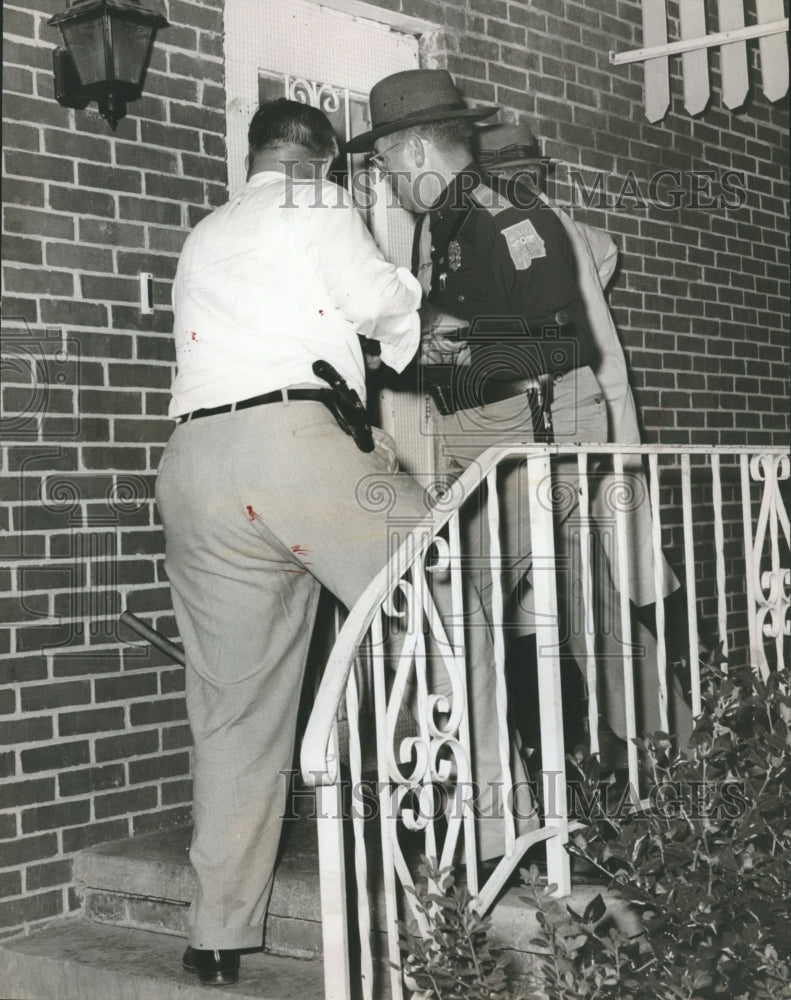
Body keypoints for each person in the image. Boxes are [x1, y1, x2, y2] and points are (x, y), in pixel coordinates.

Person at [156, 98, 534, 987]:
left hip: (192, 468)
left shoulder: (206, 230)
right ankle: (492, 847)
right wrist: (410, 299)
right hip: (295, 448)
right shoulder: (318, 203)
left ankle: (216, 935)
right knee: (453, 612)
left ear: (251, 153)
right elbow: (376, 306)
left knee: (233, 708)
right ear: (324, 160)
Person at [346, 71, 693, 763]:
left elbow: (556, 340)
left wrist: (437, 333)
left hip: (531, 426)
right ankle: (675, 756)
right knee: (588, 605)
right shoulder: (448, 219)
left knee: (454, 601)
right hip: (507, 427)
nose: (383, 179)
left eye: (385, 163)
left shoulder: (501, 209)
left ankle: (465, 796)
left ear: (415, 150)